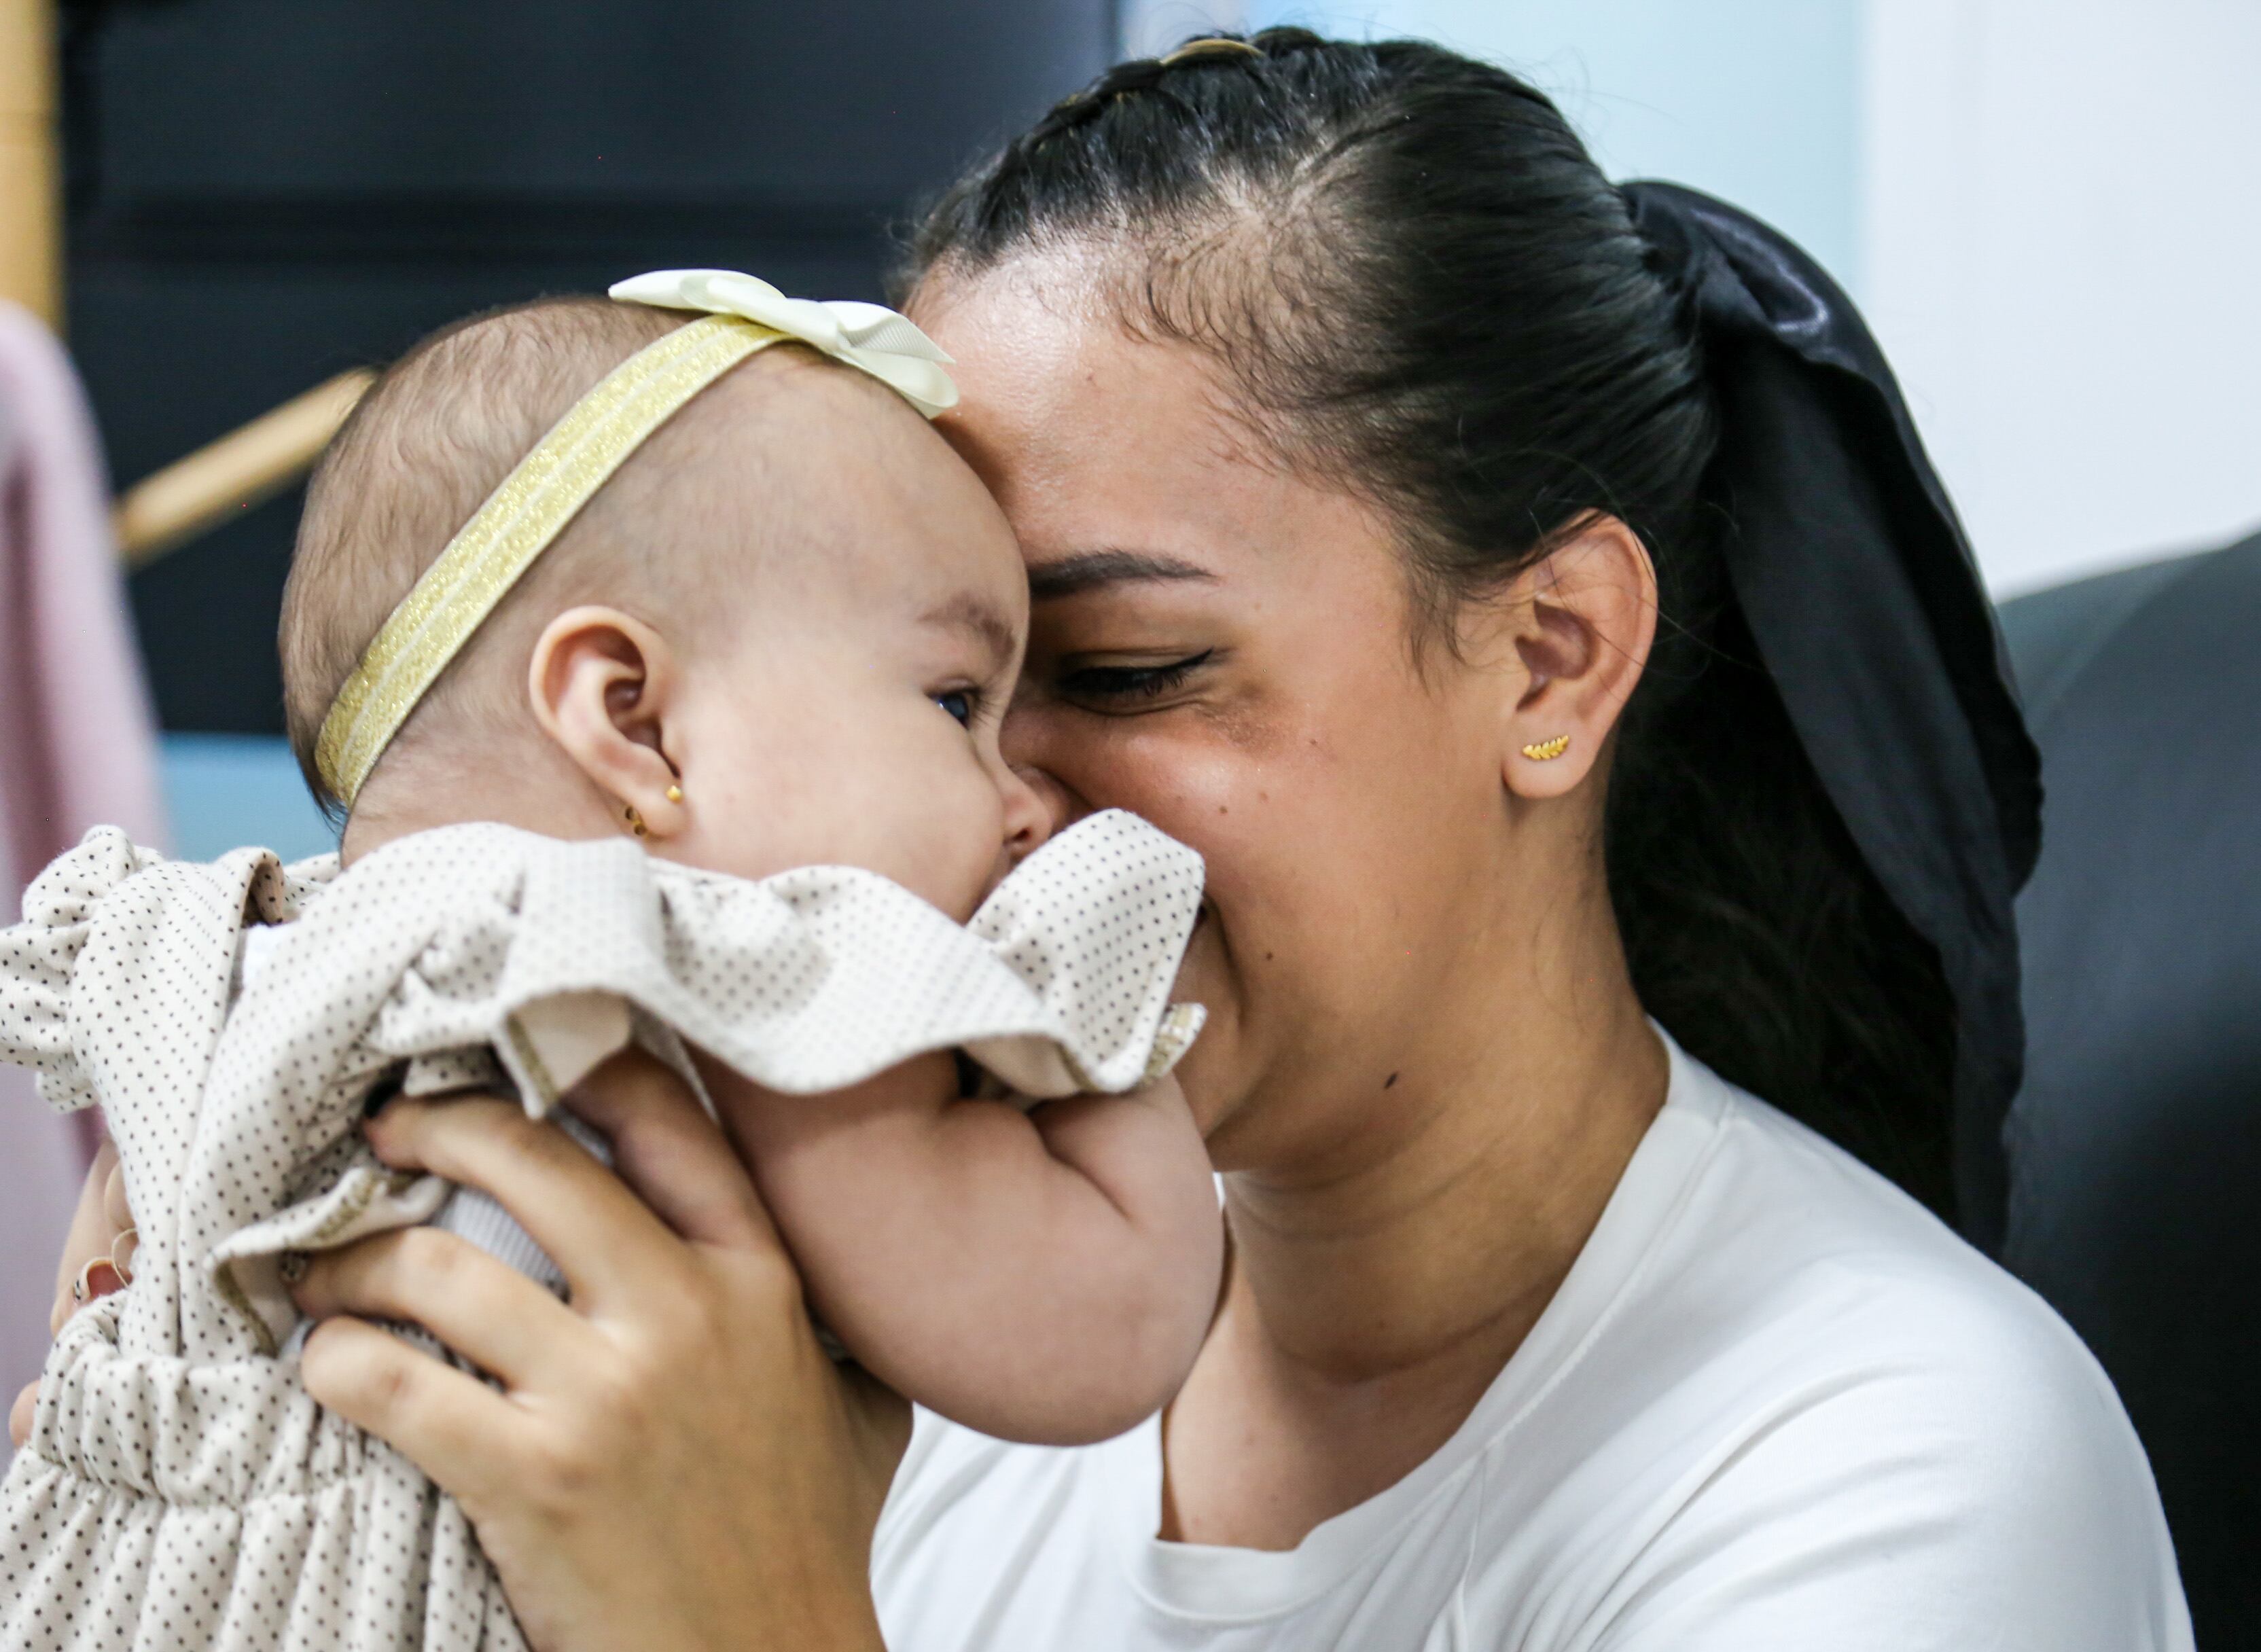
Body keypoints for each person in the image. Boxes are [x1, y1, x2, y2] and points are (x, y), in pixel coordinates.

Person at [19, 29, 2194, 1652]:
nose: (994, 810)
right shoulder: (871, 1278)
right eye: (939, 683)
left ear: (1549, 657)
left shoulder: (1900, 1472)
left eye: (1131, 671)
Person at [0, 274, 1222, 1650]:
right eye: (955, 701)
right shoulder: (739, 986)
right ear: (633, 723)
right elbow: (1101, 1335)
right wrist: (1081, 1000)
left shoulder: (248, 961)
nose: (1026, 799)